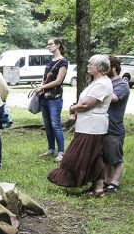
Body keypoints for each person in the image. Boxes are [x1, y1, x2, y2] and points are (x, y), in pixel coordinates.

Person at [48, 55, 113, 197]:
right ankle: (98, 188)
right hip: (88, 125)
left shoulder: (102, 84)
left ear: (100, 68)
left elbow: (86, 104)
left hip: (92, 126)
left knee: (75, 155)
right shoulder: (96, 82)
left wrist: (73, 108)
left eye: (91, 64)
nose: (88, 65)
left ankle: (73, 179)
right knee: (95, 157)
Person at [35, 37, 69, 162]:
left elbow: (58, 81)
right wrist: (40, 87)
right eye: (47, 44)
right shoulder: (51, 61)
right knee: (47, 125)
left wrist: (42, 87)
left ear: (58, 45)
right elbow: (46, 78)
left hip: (55, 98)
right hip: (44, 97)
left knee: (56, 125)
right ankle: (51, 149)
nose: (48, 46)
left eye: (50, 44)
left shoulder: (63, 62)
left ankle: (61, 152)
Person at [102, 55, 130, 193]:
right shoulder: (105, 82)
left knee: (115, 159)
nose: (102, 69)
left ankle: (115, 183)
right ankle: (107, 181)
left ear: (113, 67)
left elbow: (113, 98)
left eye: (105, 66)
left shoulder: (122, 85)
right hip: (102, 127)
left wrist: (97, 92)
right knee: (105, 157)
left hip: (114, 128)